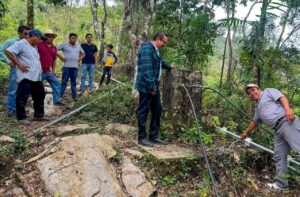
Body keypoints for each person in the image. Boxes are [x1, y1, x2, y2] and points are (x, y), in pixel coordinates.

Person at [240, 84, 300, 192]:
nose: (252, 93)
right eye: (249, 93)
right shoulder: (257, 107)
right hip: (277, 130)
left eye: (253, 90)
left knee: (299, 150)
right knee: (279, 156)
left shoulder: (268, 91)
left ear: (258, 89)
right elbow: (254, 122)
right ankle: (282, 185)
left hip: (287, 121)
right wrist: (245, 133)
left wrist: (287, 109)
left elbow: (282, 97)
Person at [135, 32, 175, 147]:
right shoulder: (147, 49)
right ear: (158, 39)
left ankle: (154, 136)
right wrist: (151, 87)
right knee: (143, 110)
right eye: (164, 42)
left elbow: (159, 62)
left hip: (153, 86)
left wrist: (169, 67)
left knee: (157, 109)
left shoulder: (155, 50)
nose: (164, 45)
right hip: (146, 86)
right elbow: (147, 69)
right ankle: (142, 138)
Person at [5, 29, 47, 125]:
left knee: (40, 95)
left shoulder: (34, 47)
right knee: (22, 97)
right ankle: (21, 117)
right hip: (26, 76)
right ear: (34, 36)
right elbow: (8, 51)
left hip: (36, 77)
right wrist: (19, 65)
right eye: (40, 39)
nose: (41, 42)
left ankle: (39, 115)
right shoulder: (22, 43)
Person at [0, 25, 30, 117]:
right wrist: (8, 61)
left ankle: (19, 108)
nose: (27, 35)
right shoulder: (11, 42)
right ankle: (11, 109)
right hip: (16, 68)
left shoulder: (28, 43)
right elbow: (1, 51)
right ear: (19, 33)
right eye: (25, 33)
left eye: (28, 34)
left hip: (26, 69)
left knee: (23, 89)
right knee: (13, 89)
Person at [37, 29, 64, 106]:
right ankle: (38, 102)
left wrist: (53, 71)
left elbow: (54, 60)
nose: (51, 38)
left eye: (52, 37)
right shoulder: (39, 45)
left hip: (48, 71)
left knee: (57, 83)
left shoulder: (54, 48)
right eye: (49, 36)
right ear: (44, 37)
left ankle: (57, 100)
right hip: (39, 71)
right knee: (37, 87)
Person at [57, 33, 85, 100]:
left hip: (75, 67)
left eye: (75, 38)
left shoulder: (78, 46)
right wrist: (61, 57)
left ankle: (74, 96)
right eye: (73, 38)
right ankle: (59, 96)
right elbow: (54, 50)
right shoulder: (64, 45)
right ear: (69, 38)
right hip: (66, 67)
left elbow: (83, 53)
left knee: (73, 82)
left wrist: (79, 59)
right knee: (64, 81)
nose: (74, 40)